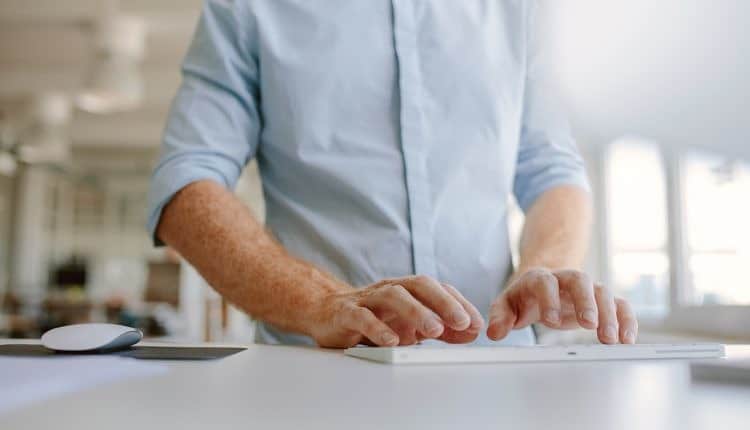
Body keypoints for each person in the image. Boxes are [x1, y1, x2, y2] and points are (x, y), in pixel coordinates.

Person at [147, 0, 638, 348]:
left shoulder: (520, 11)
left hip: (498, 371)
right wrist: (325, 303)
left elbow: (554, 169)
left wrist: (544, 269)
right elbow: (186, 182)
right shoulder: (246, 8)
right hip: (321, 378)